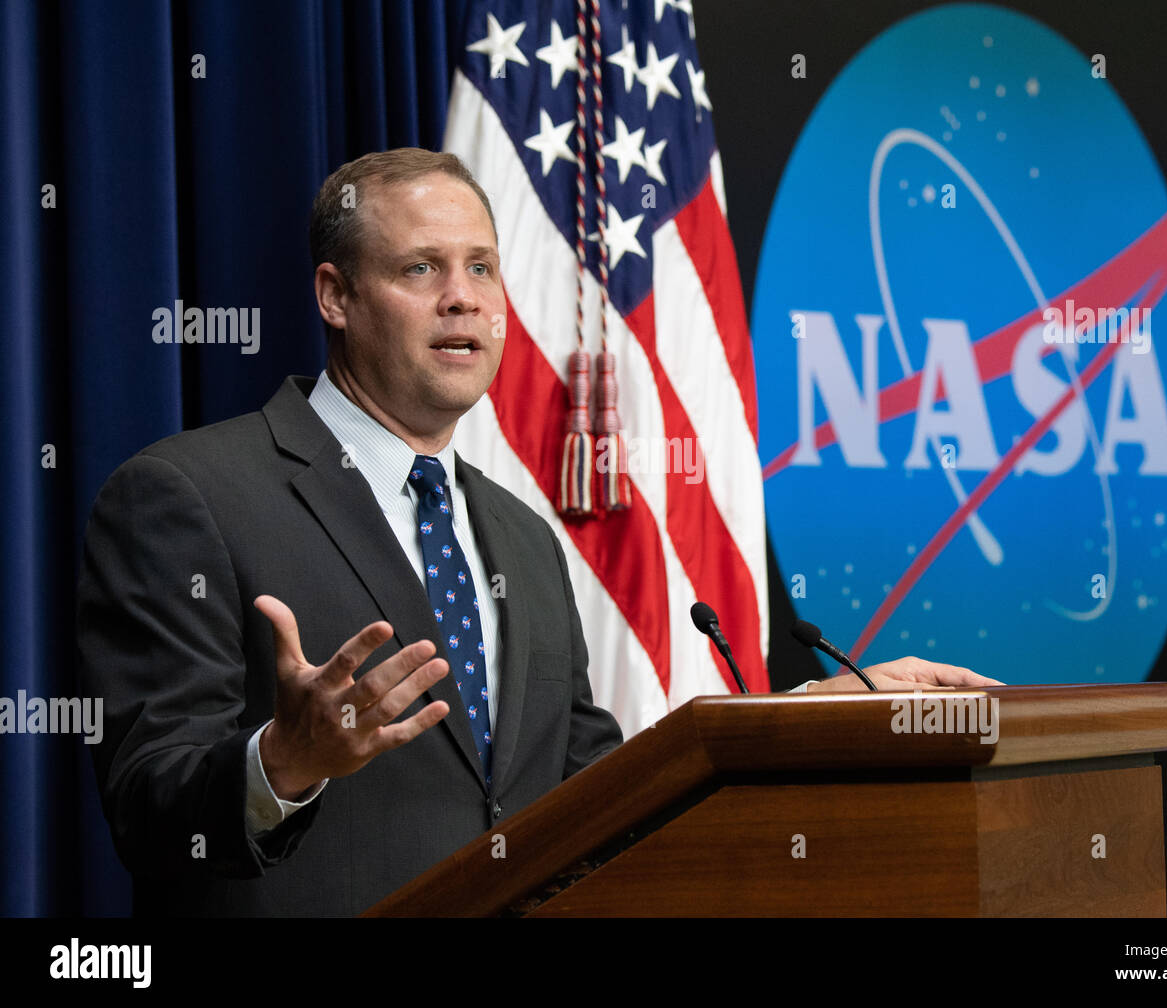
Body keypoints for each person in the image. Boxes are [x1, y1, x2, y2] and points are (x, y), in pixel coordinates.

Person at [77, 148, 995, 917]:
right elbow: (148, 812)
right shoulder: (186, 494)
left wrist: (784, 727)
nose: (464, 298)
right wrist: (284, 762)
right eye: (420, 269)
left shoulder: (520, 537)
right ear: (335, 297)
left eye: (482, 267)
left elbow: (595, 792)